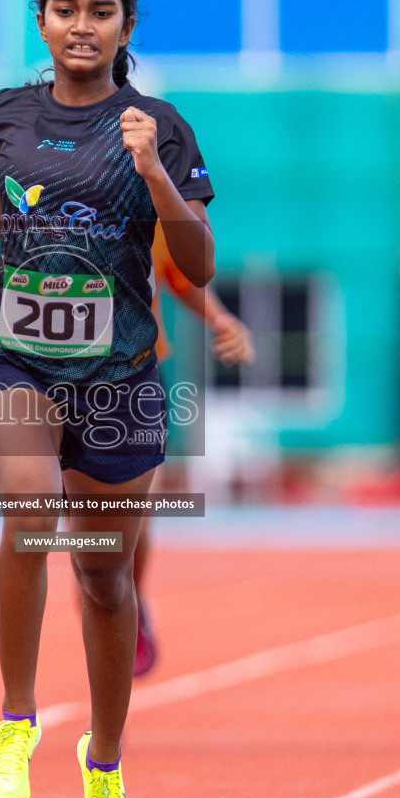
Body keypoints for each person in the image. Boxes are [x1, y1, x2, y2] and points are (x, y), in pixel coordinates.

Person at [0, 0, 215, 798]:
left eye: (99, 11)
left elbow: (198, 264)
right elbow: (8, 195)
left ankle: (106, 768)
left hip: (119, 378)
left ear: (127, 27)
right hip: (11, 357)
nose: (80, 24)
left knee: (102, 577)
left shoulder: (159, 127)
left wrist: (152, 175)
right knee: (30, 510)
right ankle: (16, 719)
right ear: (40, 22)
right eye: (63, 9)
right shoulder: (8, 112)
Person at [131, 227, 253, 676]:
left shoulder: (150, 205)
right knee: (89, 537)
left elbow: (182, 277)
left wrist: (222, 321)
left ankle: (131, 600)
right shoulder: (44, 198)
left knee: (132, 524)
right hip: (59, 378)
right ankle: (105, 706)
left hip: (134, 377)